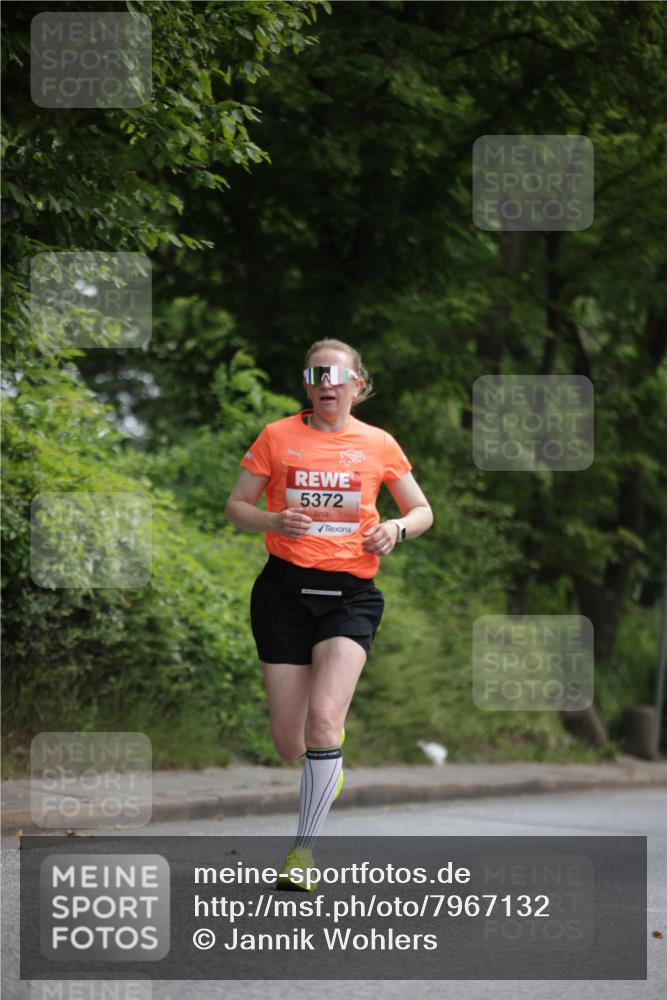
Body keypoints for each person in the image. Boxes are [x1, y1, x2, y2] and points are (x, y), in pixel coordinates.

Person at [224, 338, 433, 890]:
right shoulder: (277, 437)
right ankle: (326, 762)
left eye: (337, 376)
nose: (327, 385)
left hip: (350, 596)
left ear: (357, 386)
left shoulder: (379, 443)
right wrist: (273, 521)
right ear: (307, 385)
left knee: (323, 720)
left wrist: (396, 528)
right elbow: (236, 506)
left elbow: (421, 509)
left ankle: (302, 854)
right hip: (283, 594)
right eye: (317, 375)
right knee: (289, 742)